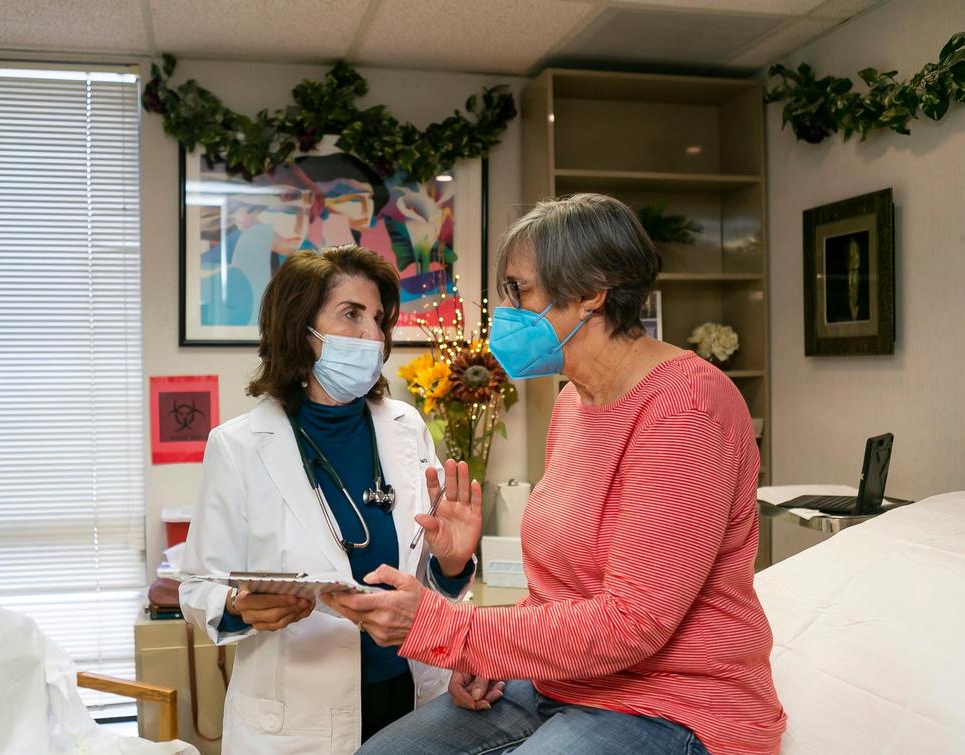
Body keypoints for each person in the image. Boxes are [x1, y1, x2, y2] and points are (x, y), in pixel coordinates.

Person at [325, 194, 788, 755]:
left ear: (591, 292)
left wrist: (450, 631)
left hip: (673, 702)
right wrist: (487, 654)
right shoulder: (574, 402)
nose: (508, 312)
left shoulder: (686, 407)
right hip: (563, 682)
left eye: (520, 291)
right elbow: (564, 590)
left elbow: (631, 622)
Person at [178, 244, 483, 754]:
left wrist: (453, 565)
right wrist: (238, 608)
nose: (373, 334)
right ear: (301, 329)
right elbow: (197, 586)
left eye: (380, 318)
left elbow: (428, 577)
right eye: (351, 314)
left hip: (411, 697)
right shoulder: (238, 446)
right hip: (297, 716)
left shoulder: (406, 429)